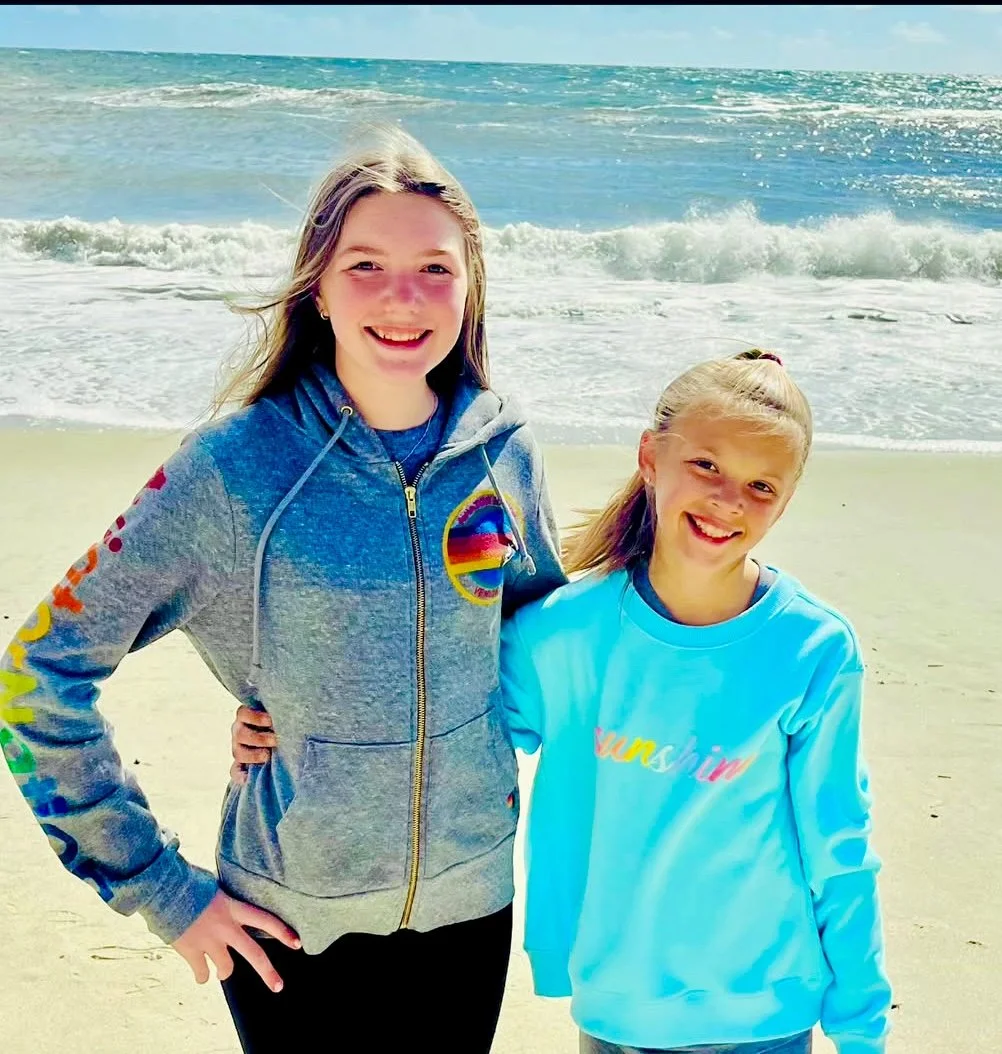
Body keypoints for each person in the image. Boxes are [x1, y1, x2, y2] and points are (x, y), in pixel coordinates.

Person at [0, 128, 563, 1053]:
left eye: (434, 267)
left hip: (474, 903)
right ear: (319, 283)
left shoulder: (504, 452)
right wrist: (162, 891)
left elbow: (544, 646)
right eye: (365, 264)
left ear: (472, 287)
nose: (402, 296)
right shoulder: (238, 467)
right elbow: (35, 677)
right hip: (291, 932)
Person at [499, 349, 892, 1053]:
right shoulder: (560, 636)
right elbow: (445, 734)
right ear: (651, 457)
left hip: (764, 1019)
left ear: (787, 499)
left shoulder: (812, 649)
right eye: (706, 465)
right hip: (616, 1014)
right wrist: (280, 717)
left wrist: (862, 1026)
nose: (727, 501)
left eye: (761, 486)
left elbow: (839, 843)